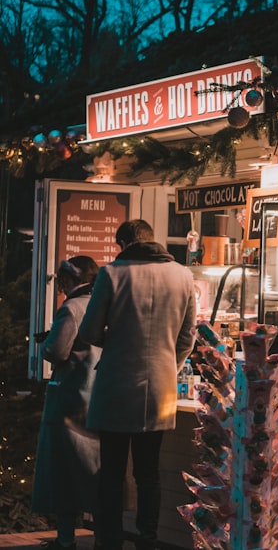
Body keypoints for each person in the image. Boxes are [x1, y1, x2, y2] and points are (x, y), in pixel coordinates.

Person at [78, 219, 196, 550]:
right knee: (149, 473)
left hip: (116, 383)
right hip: (160, 387)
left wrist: (116, 340)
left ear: (123, 243)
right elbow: (187, 337)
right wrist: (168, 365)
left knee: (112, 472)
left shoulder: (112, 274)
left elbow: (88, 332)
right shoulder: (183, 276)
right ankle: (147, 539)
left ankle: (109, 541)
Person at [32, 256, 102, 550]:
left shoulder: (71, 307)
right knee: (95, 473)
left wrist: (46, 343)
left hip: (70, 398)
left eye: (62, 282)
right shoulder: (101, 304)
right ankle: (103, 537)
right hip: (97, 397)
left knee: (63, 470)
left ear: (71, 280)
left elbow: (57, 352)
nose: (61, 287)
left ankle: (65, 538)